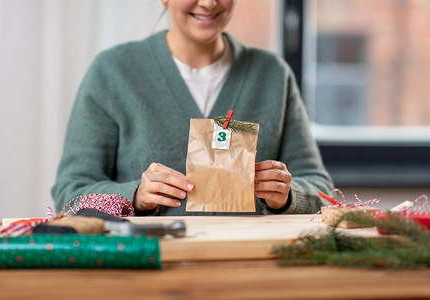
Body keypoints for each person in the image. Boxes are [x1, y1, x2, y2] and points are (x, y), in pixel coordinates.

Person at [51, 0, 334, 216]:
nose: (209, 3)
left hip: (250, 267)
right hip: (150, 270)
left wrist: (288, 195)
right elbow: (70, 192)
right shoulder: (113, 72)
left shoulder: (272, 74)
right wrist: (134, 195)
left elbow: (321, 189)